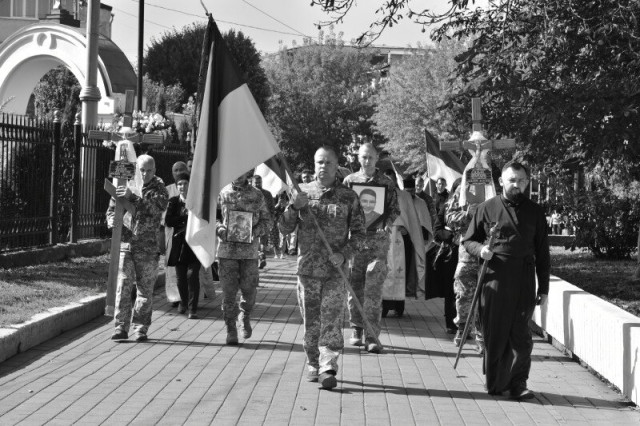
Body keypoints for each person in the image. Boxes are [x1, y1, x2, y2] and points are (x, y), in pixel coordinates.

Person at [462, 161, 550, 399]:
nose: (516, 185)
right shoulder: (486, 208)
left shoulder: (535, 212)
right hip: (495, 279)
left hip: (523, 278)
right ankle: (495, 382)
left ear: (527, 182)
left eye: (521, 181)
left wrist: (544, 288)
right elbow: (468, 241)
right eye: (512, 180)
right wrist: (481, 250)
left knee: (520, 333)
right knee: (496, 332)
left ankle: (519, 383)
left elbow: (543, 253)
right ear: (501, 181)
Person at [280, 146, 365, 390]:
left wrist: (344, 254)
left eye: (328, 162)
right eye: (319, 162)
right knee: (311, 320)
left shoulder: (348, 197)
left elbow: (360, 234)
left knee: (332, 318)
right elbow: (284, 228)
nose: (323, 167)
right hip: (308, 271)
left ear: (337, 166)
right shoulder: (301, 193)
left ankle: (328, 365)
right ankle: (313, 362)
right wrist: (293, 207)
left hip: (335, 272)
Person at [343, 143, 400, 353]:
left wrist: (386, 222)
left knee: (374, 291)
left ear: (377, 158)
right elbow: (343, 209)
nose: (367, 161)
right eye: (363, 157)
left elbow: (395, 209)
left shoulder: (387, 183)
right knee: (355, 288)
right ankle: (356, 328)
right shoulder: (349, 181)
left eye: (371, 157)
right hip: (355, 243)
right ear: (358, 158)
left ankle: (372, 335)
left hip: (377, 243)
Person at [107, 154, 168, 342]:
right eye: (142, 170)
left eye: (149, 170)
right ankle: (120, 327)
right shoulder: (127, 183)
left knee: (145, 290)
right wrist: (111, 220)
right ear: (136, 169)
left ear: (154, 170)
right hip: (127, 244)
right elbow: (112, 208)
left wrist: (132, 197)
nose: (145, 174)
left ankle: (141, 328)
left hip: (148, 247)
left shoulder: (159, 188)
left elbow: (156, 208)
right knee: (123, 287)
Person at [216, 170, 273, 345]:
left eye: (242, 171)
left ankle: (245, 315)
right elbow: (213, 217)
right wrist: (219, 229)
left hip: (249, 253)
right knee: (228, 293)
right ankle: (230, 328)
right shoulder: (222, 192)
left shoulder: (257, 195)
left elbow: (268, 221)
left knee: (249, 291)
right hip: (227, 251)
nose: (238, 174)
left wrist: (254, 231)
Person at [445, 179, 484, 350]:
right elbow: (449, 218)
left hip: (489, 253)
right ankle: (462, 328)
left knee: (486, 296)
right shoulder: (462, 190)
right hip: (467, 253)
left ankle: (482, 335)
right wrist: (467, 214)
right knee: (463, 293)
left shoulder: (495, 189)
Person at [165, 171, 200, 319]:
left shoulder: (196, 201)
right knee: (180, 278)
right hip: (179, 245)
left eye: (185, 183)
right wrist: (185, 218)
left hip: (194, 244)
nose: (182, 186)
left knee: (192, 276)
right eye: (179, 184)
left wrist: (184, 219)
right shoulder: (173, 202)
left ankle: (193, 308)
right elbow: (169, 221)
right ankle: (183, 303)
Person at [429, 179, 459, 335]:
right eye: (459, 189)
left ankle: (466, 324)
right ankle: (451, 323)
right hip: (452, 254)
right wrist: (452, 236)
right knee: (451, 290)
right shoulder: (447, 206)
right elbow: (437, 231)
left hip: (471, 253)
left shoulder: (477, 207)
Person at [163, 161, 189, 308]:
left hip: (189, 237)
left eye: (181, 169)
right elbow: (164, 218)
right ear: (172, 173)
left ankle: (188, 298)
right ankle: (174, 297)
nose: (178, 172)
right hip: (171, 235)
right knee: (172, 269)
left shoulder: (192, 188)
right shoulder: (166, 190)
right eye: (176, 170)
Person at [251, 175, 275, 268]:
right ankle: (258, 258)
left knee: (263, 241)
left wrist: (271, 220)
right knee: (253, 240)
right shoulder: (248, 194)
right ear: (252, 183)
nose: (258, 184)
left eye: (259, 182)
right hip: (252, 222)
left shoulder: (267, 194)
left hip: (264, 221)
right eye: (256, 183)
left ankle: (261, 257)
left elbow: (272, 208)